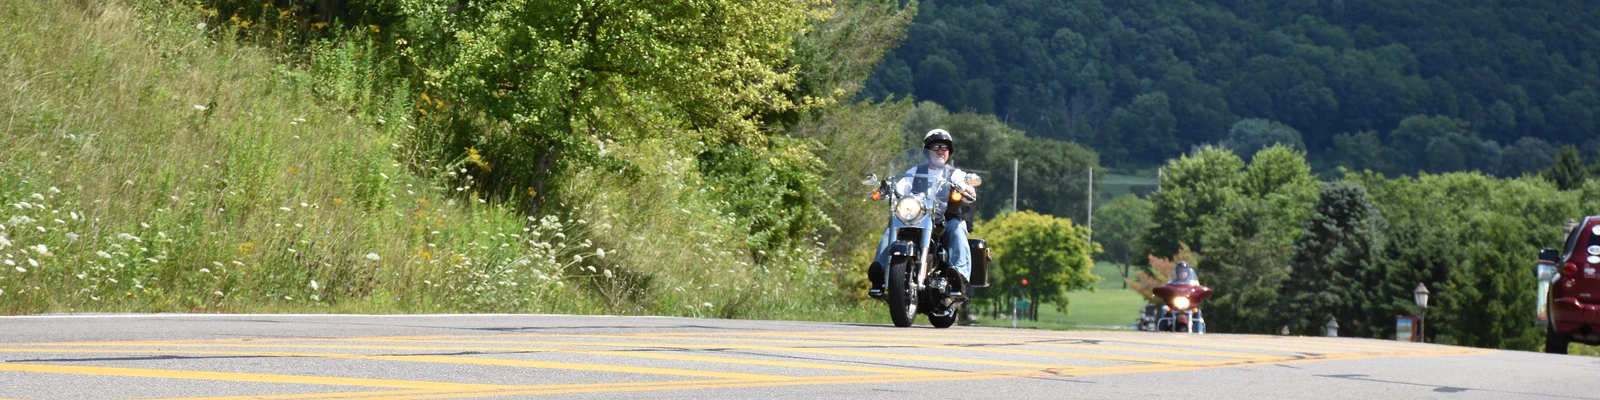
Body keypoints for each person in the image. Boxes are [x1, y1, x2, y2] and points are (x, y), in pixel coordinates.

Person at [868, 129, 978, 299]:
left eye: (944, 147)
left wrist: (967, 188)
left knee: (958, 228)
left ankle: (959, 277)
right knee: (892, 227)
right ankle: (880, 273)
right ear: (927, 152)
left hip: (944, 221)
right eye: (935, 147)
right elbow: (900, 188)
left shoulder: (954, 174)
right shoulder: (914, 172)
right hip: (916, 219)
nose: (940, 151)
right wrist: (885, 191)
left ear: (949, 152)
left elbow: (963, 184)